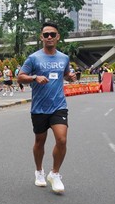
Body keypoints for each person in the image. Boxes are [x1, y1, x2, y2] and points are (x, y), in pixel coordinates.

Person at [18, 22, 76, 194]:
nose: (49, 37)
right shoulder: (34, 58)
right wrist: (34, 77)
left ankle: (55, 174)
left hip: (58, 105)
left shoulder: (64, 58)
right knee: (40, 141)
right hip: (39, 107)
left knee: (62, 139)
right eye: (46, 35)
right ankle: (39, 171)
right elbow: (20, 77)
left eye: (52, 34)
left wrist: (70, 77)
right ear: (41, 37)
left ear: (58, 37)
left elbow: (65, 74)